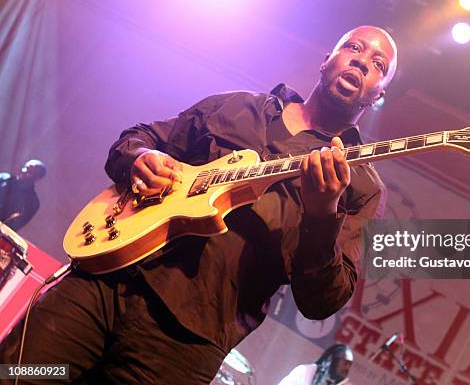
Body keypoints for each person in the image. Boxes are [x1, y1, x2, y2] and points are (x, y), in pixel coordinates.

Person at [0, 25, 397, 383]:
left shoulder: (361, 185)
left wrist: (322, 214)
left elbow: (323, 299)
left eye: (378, 64)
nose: (362, 61)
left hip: (181, 346)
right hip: (103, 282)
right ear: (328, 59)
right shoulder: (236, 106)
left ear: (380, 94)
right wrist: (139, 158)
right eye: (354, 48)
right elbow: (138, 138)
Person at [0, 160, 46, 231]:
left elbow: (14, 226)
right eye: (25, 168)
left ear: (36, 178)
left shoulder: (33, 202)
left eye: (30, 172)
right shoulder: (3, 178)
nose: (24, 171)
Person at [278, 344, 354, 385]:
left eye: (350, 364)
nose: (348, 368)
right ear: (333, 359)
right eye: (346, 363)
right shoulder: (304, 371)